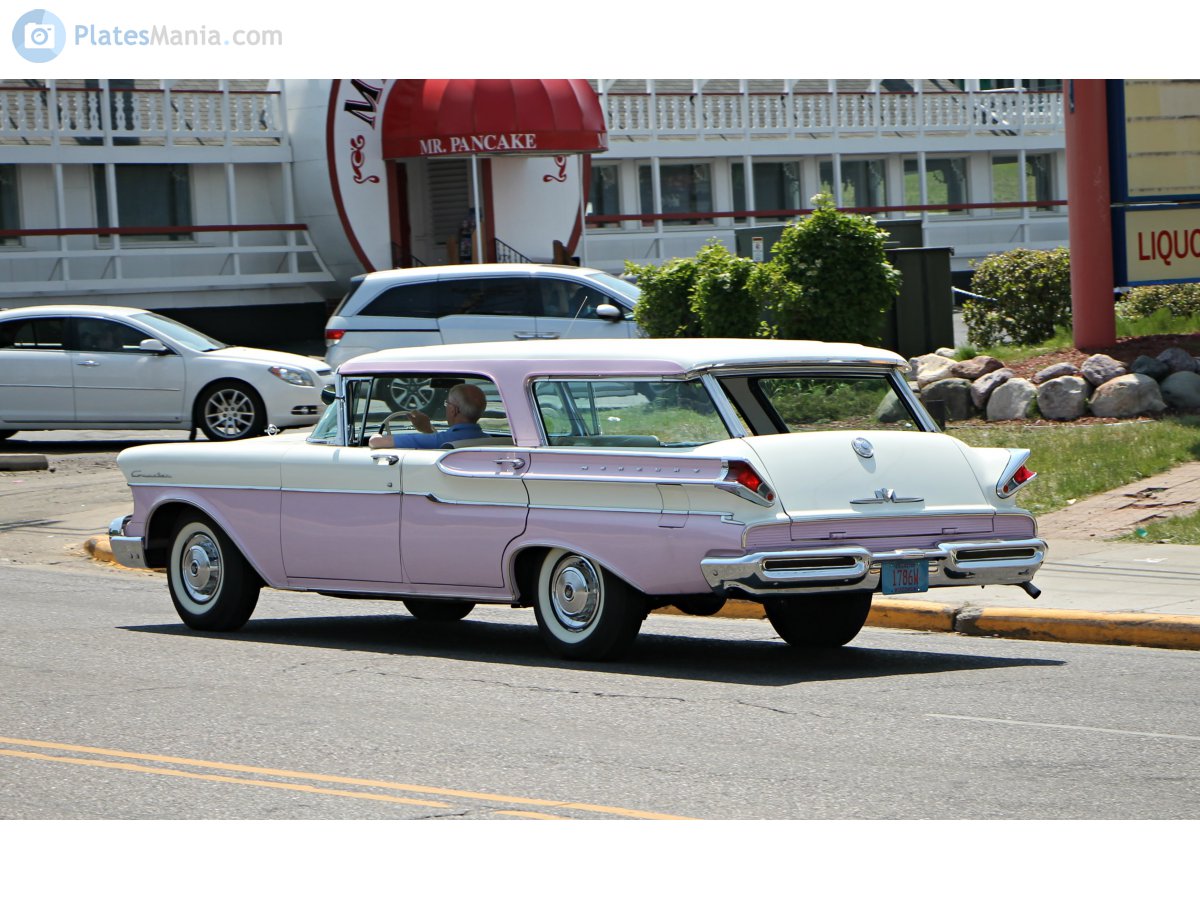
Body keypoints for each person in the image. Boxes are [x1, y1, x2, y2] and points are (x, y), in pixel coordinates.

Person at [368, 383, 487, 449]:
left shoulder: (439, 441)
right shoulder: (492, 441)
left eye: (447, 404)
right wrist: (427, 430)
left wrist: (376, 434)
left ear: (453, 410)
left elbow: (376, 442)